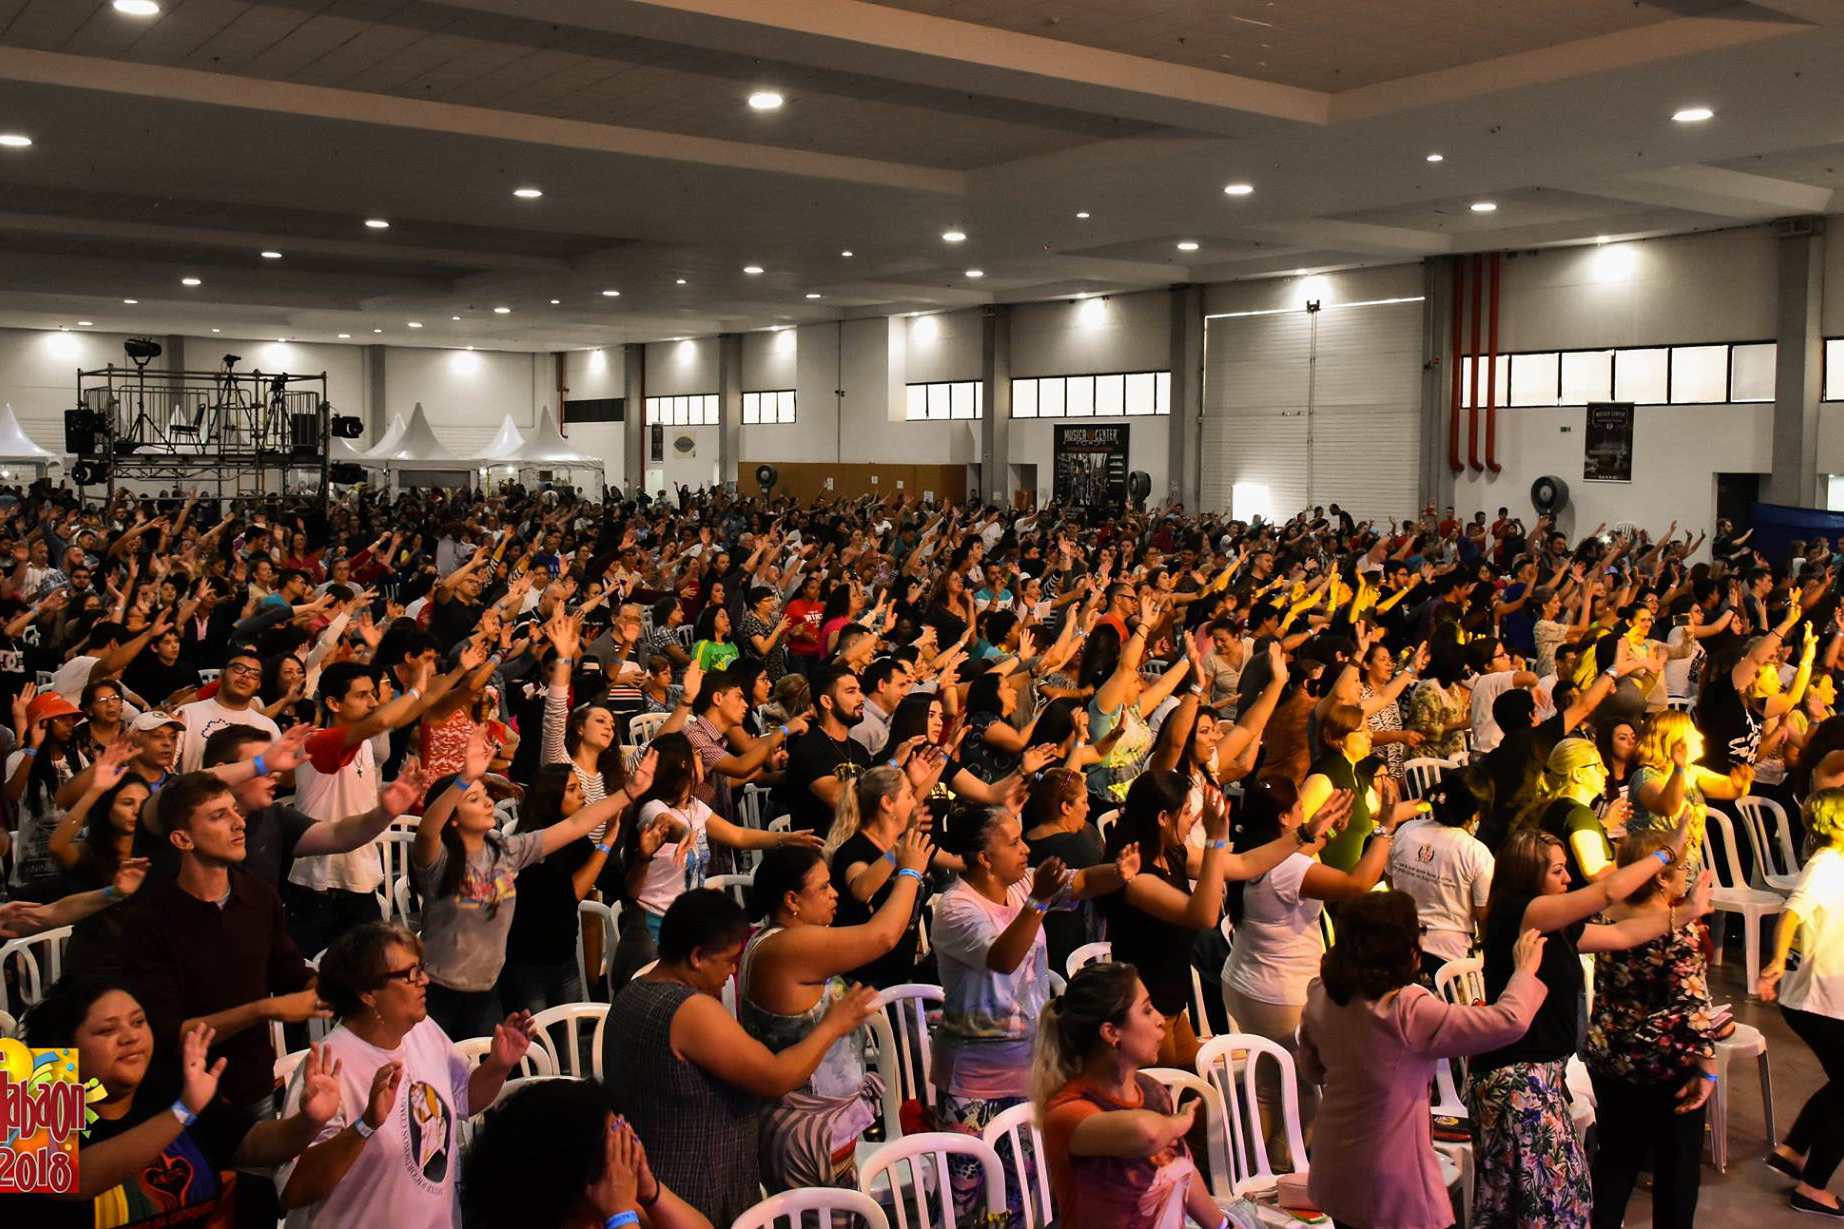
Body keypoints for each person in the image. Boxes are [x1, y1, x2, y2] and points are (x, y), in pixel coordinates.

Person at [1467, 824, 1712, 1229]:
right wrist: (1666, 854)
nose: (1568, 878)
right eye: (1558, 871)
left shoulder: (1554, 922)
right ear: (1529, 875)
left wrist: (1683, 914)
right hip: (1517, 1082)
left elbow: (1619, 934)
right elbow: (1606, 893)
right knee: (1551, 1210)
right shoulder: (1525, 913)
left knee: (1542, 1206)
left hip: (1538, 1078)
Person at [603, 889, 880, 1229]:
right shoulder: (690, 1011)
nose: (733, 971)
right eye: (729, 960)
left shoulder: (632, 991)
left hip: (656, 1185)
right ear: (697, 957)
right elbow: (777, 1077)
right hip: (695, 1191)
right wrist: (832, 1025)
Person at [930, 803, 1140, 1222]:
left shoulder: (1023, 885)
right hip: (973, 1080)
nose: (1025, 849)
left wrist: (1118, 872)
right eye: (1013, 843)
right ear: (985, 858)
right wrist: (1039, 901)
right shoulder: (957, 908)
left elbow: (1079, 884)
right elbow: (1003, 957)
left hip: (1029, 1069)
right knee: (961, 1200)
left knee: (1024, 1190)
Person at [1297, 892, 1549, 1229]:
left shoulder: (1321, 996)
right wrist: (1525, 971)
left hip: (1335, 1164)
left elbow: (1313, 1070)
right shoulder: (1406, 1008)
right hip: (1390, 1175)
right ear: (1402, 948)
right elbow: (1509, 1021)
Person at [17, 976, 345, 1228]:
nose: (131, 1037)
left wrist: (308, 1122)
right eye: (107, 1030)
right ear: (64, 1046)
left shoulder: (168, 1082)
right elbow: (68, 1183)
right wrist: (183, 1112)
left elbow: (252, 1143)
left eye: (138, 1022)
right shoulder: (33, 1090)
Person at [277, 921, 538, 1227]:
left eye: (422, 968)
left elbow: (464, 1099)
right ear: (367, 993)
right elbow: (293, 1190)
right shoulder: (327, 1068)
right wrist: (365, 1126)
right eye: (411, 973)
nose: (425, 980)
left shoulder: (423, 1031)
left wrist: (498, 1065)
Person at [411, 734, 654, 1039]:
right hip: (438, 992)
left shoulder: (505, 850)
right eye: (474, 799)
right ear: (453, 819)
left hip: (487, 991)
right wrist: (464, 779)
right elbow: (427, 830)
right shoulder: (438, 860)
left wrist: (629, 793)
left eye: (485, 794)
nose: (488, 802)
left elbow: (574, 826)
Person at [122, 772, 331, 1121]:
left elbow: (290, 973)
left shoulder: (258, 895)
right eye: (219, 816)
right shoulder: (150, 921)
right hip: (180, 1098)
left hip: (252, 1084)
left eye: (236, 810)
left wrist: (327, 987)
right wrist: (264, 1010)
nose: (239, 823)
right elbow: (168, 1034)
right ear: (182, 839)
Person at [739, 835, 933, 1191]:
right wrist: (909, 872)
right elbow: (882, 936)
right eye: (825, 887)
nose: (836, 895)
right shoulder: (786, 946)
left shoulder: (783, 939)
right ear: (792, 900)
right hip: (807, 1134)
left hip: (820, 1128)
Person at [1218, 776, 1388, 1165]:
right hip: (1282, 998)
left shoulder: (1244, 851)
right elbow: (1357, 883)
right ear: (1283, 818)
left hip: (1244, 985)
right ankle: (1280, 1170)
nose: (1303, 815)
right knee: (1305, 1093)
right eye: (1298, 810)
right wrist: (1386, 829)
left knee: (1265, 1085)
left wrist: (1321, 836)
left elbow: (1291, 854)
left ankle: (1249, 1171)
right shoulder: (1290, 869)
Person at [286, 652, 479, 955]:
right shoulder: (317, 742)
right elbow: (386, 718)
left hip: (360, 883)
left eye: (374, 695)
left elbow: (416, 707)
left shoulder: (363, 740)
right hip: (319, 889)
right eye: (362, 696)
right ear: (334, 704)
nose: (373, 702)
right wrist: (415, 686)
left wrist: (458, 671)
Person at [1583, 830, 1728, 1229]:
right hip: (1665, 1069)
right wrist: (1708, 1068)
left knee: (1614, 1164)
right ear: (1661, 877)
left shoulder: (1604, 918)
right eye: (1683, 868)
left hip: (1610, 1059)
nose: (1687, 875)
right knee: (1677, 1176)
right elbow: (1693, 1006)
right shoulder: (1677, 930)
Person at [1035, 961, 1221, 1229]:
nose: (1159, 1019)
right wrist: (1178, 1123)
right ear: (1111, 1032)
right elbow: (1145, 1134)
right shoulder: (1068, 1111)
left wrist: (1225, 1226)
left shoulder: (1150, 1090)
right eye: (1146, 1010)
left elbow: (1182, 1167)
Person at [615, 732, 816, 977]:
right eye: (697, 755)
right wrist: (684, 833)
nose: (702, 760)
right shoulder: (653, 807)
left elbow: (738, 836)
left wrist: (785, 838)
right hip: (652, 924)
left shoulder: (695, 807)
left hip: (684, 922)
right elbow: (665, 823)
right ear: (683, 764)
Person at [462, 1079, 712, 1229]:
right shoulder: (606, 1209)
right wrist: (620, 1216)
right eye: (613, 1149)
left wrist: (650, 1190)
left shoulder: (597, 1208)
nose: (623, 1158)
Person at [1759, 786, 1844, 1217]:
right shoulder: (1827, 865)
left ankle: (1792, 1151)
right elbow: (1793, 911)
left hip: (1829, 999)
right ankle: (1811, 1189)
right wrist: (1775, 960)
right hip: (1820, 1002)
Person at [823, 759, 954, 986]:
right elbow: (861, 889)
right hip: (864, 981)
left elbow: (960, 861)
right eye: (909, 796)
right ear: (887, 803)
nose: (915, 802)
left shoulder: (906, 844)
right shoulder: (853, 849)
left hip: (898, 975)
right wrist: (899, 848)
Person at [1387, 772, 1495, 978]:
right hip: (1450, 964)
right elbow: (1485, 916)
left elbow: (1390, 882)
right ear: (1476, 815)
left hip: (1397, 948)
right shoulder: (1475, 852)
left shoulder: (1406, 831)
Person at [776, 665, 874, 834]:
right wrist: (892, 764)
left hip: (854, 848)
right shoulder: (808, 747)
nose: (861, 698)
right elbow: (839, 800)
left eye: (859, 690)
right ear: (827, 701)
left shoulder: (860, 750)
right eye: (851, 692)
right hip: (819, 852)